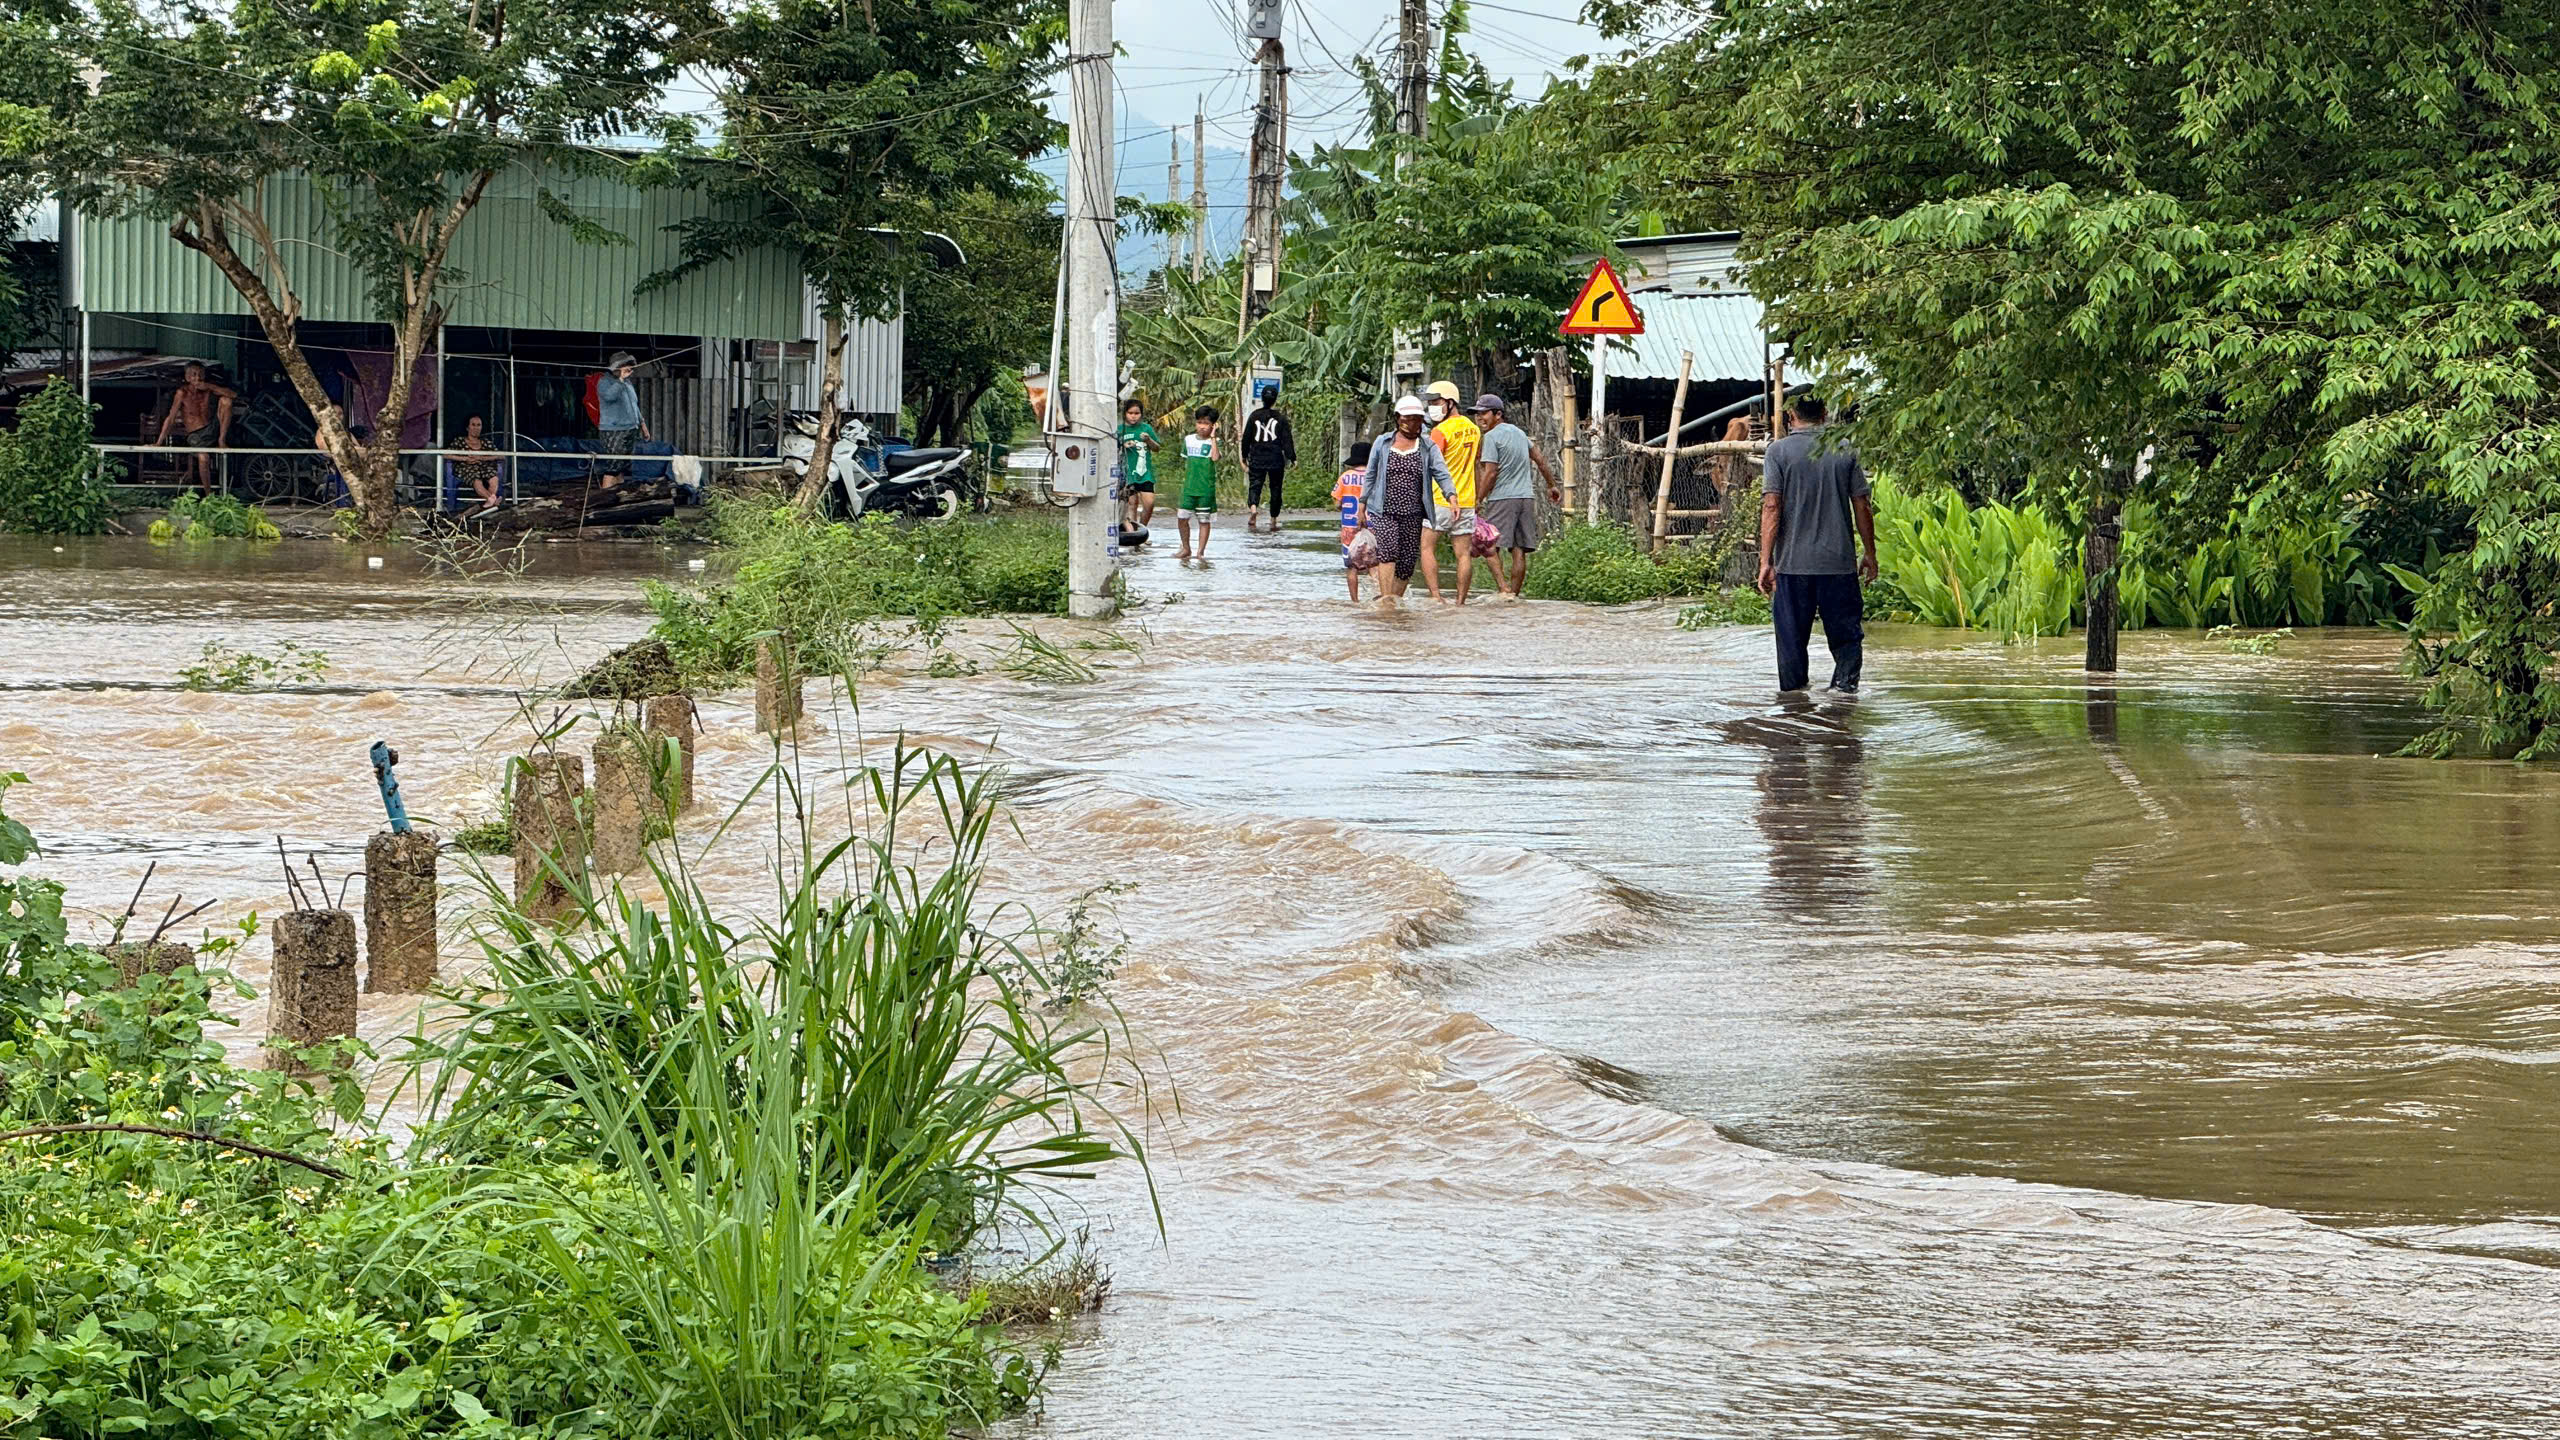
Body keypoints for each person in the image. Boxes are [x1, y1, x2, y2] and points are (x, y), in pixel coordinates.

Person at [1755, 395, 1878, 694]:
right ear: (1824, 414)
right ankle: (1844, 705)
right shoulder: (1844, 449)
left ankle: (1796, 715)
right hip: (1838, 565)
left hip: (1792, 567)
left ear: (1791, 415)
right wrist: (1870, 554)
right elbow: (1861, 504)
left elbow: (1772, 506)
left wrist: (1765, 562)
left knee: (1791, 643)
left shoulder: (1779, 452)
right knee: (1847, 639)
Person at [1355, 395, 1459, 609]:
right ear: (1398, 419)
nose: (1413, 423)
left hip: (1413, 512)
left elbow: (1442, 473)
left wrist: (1452, 496)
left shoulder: (1427, 446)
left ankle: (1395, 599)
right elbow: (1371, 473)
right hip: (1384, 509)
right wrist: (1362, 503)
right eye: (1408, 418)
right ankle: (1387, 603)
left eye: (1417, 419)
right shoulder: (1383, 443)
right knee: (1388, 551)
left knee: (1407, 562)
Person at [1470, 392, 1563, 600]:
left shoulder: (1492, 437)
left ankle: (1503, 590)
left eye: (1484, 413)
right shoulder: (1520, 434)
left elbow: (1491, 472)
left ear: (1498, 414)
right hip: (1526, 498)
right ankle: (1514, 595)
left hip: (1503, 499)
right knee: (1518, 549)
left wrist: (1479, 499)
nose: (1479, 418)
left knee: (1490, 546)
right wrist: (1552, 486)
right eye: (1477, 414)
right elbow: (1539, 459)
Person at [1421, 380, 1484, 604]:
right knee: (1463, 553)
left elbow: (1430, 467)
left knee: (1427, 547)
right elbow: (1477, 465)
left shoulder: (1440, 432)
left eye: (1436, 402)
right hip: (1467, 500)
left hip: (1441, 499)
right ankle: (1460, 602)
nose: (1432, 408)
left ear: (1449, 403)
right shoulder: (1473, 429)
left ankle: (1437, 598)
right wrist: (1477, 498)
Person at [154, 362, 235, 494]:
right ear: (187, 377)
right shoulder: (182, 393)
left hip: (213, 429)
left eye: (200, 375)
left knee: (226, 401)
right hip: (196, 436)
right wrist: (159, 442)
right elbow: (171, 417)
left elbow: (233, 395)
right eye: (193, 375)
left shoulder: (208, 388)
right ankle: (209, 495)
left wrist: (209, 385)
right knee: (204, 458)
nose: (197, 378)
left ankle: (222, 440)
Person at [1240, 384, 1295, 533]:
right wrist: (1292, 458)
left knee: (1255, 485)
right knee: (1276, 488)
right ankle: (1273, 519)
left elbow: (1246, 438)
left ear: (1262, 398)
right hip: (1275, 459)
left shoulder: (1254, 416)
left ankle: (1253, 509)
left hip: (1257, 457)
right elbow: (1286, 440)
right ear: (1275, 399)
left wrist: (1244, 457)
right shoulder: (1280, 418)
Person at [596, 351, 649, 490]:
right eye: (625, 366)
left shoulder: (628, 383)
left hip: (631, 428)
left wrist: (643, 425)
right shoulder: (604, 382)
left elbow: (634, 404)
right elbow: (609, 397)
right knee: (613, 465)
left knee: (623, 466)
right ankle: (604, 497)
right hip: (614, 429)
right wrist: (620, 380)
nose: (628, 369)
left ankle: (618, 494)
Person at [1177, 404, 1220, 560]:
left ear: (1213, 425)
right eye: (1200, 422)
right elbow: (1185, 461)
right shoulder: (1188, 440)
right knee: (1182, 518)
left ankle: (1200, 552)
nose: (1202, 427)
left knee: (1204, 520)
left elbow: (1215, 458)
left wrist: (1213, 437)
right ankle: (1186, 548)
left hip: (1205, 489)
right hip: (1189, 488)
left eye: (1206, 423)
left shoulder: (1214, 442)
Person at [1333, 440, 1372, 603]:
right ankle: (1378, 599)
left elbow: (1337, 503)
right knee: (1374, 565)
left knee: (1351, 567)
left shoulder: (1345, 477)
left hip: (1349, 528)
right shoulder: (1373, 477)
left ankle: (1355, 601)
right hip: (1371, 527)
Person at [1117, 399, 1161, 535]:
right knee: (1132, 504)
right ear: (1125, 413)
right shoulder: (1120, 430)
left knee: (1149, 503)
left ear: (1141, 414)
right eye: (1130, 413)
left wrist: (1148, 440)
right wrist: (1123, 446)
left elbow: (1157, 448)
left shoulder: (1146, 428)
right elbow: (1111, 450)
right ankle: (1133, 534)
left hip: (1145, 473)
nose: (1133, 416)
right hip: (1128, 473)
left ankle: (1142, 528)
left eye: (1137, 413)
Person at [451, 414, 503, 513]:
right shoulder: (459, 441)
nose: (476, 428)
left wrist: (483, 457)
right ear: (467, 427)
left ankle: (489, 503)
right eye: (473, 425)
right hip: (466, 467)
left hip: (484, 467)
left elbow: (501, 456)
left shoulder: (486, 443)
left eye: (478, 425)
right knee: (476, 479)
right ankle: (493, 500)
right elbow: (446, 455)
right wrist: (464, 458)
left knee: (494, 478)